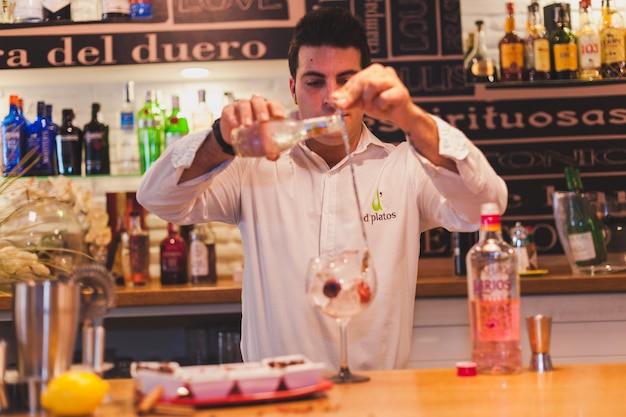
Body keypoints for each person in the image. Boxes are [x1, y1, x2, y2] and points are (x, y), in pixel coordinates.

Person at [137, 7, 507, 370]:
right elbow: (157, 199)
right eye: (315, 82)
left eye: (346, 81)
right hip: (276, 397)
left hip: (381, 399)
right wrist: (220, 139)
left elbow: (486, 205)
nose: (331, 97)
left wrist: (411, 118)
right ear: (294, 89)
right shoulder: (252, 169)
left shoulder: (404, 166)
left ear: (366, 88)